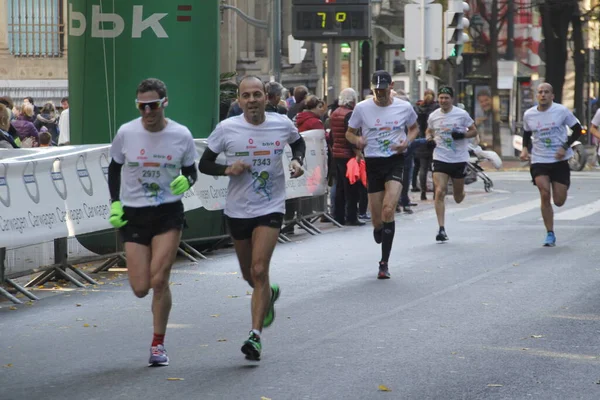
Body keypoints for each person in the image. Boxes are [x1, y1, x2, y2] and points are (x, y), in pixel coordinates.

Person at [198, 75, 306, 361]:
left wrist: (297, 161)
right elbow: (204, 163)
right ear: (239, 99)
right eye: (246, 96)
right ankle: (267, 294)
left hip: (271, 206)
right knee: (250, 276)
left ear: (265, 97)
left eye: (257, 94)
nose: (252, 101)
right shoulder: (227, 129)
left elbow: (298, 144)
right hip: (237, 210)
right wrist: (227, 169)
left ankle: (255, 337)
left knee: (259, 269)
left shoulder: (281, 123)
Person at [107, 78, 198, 366]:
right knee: (140, 287)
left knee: (160, 280)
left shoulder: (181, 135)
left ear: (164, 103)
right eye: (142, 106)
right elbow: (114, 167)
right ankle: (157, 334)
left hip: (167, 212)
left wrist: (188, 180)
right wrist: (116, 203)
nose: (147, 112)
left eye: (153, 106)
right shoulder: (126, 133)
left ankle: (158, 345)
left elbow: (191, 170)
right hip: (134, 214)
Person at [345, 70, 419, 279]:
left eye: (384, 90)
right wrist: (357, 141)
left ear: (391, 86)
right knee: (377, 221)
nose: (381, 94)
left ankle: (384, 263)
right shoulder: (361, 108)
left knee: (389, 210)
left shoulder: (404, 107)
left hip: (395, 161)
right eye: (377, 91)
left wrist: (407, 141)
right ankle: (380, 230)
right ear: (372, 89)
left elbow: (414, 128)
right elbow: (349, 133)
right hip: (373, 163)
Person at [520, 83, 582, 247]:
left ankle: (560, 192)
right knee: (544, 193)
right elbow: (526, 132)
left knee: (559, 200)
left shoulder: (561, 111)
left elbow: (578, 129)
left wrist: (565, 147)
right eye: (540, 92)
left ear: (552, 96)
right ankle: (550, 233)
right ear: (536, 96)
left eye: (546, 92)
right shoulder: (529, 114)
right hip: (539, 159)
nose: (543, 95)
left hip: (559, 160)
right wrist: (525, 149)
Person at [426, 86, 478, 242]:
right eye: (441, 98)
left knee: (458, 197)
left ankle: (461, 192)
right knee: (440, 191)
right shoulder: (434, 116)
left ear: (452, 99)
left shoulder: (461, 114)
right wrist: (429, 139)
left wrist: (462, 134)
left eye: (446, 98)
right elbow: (429, 131)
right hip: (440, 157)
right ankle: (441, 228)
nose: (443, 100)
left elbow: (474, 131)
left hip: (458, 159)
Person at [331, 88, 365, 226]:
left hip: (337, 153)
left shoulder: (334, 113)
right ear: (352, 100)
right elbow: (349, 136)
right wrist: (358, 153)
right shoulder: (349, 114)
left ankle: (338, 217)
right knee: (352, 187)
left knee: (340, 187)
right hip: (348, 155)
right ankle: (351, 216)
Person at [414, 89, 439, 200]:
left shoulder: (417, 108)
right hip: (433, 140)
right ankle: (435, 192)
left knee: (423, 168)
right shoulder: (436, 108)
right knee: (435, 168)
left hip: (421, 141)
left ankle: (423, 192)